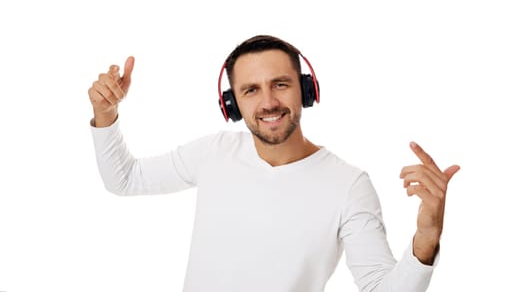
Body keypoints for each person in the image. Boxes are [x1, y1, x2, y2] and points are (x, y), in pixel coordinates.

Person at [88, 35, 460, 292]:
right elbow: (125, 179)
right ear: (231, 105)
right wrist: (105, 114)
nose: (267, 102)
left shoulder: (348, 185)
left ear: (306, 90)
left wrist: (426, 237)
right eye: (251, 90)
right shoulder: (214, 152)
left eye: (280, 84)